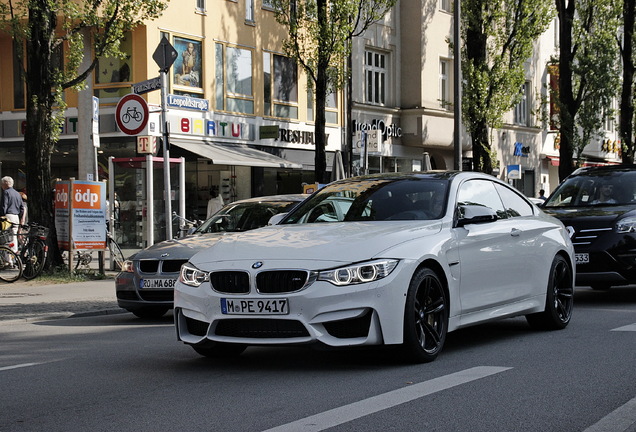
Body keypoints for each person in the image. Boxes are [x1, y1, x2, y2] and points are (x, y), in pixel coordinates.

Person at [0, 176, 25, 253]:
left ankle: (8, 259)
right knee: (14, 236)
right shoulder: (17, 194)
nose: (1, 186)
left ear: (5, 184)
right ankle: (15, 254)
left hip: (8, 216)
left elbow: (4, 205)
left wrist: (2, 216)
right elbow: (22, 208)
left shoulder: (6, 192)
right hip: (16, 217)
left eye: (2, 184)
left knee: (6, 237)